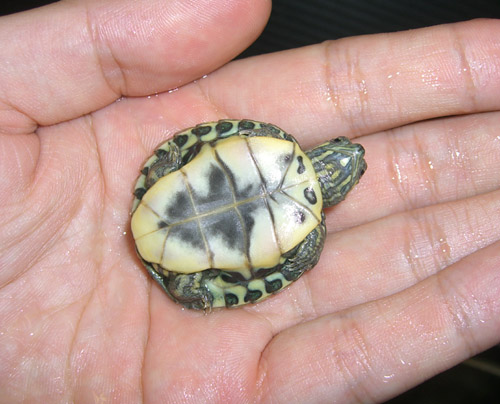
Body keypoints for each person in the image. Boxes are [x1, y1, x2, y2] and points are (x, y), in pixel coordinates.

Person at [0, 1, 499, 402]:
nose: (352, 154)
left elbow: (215, 140)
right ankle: (192, 284)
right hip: (193, 261)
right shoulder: (308, 232)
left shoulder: (273, 145)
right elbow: (288, 266)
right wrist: (216, 286)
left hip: (193, 204)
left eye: (347, 157)